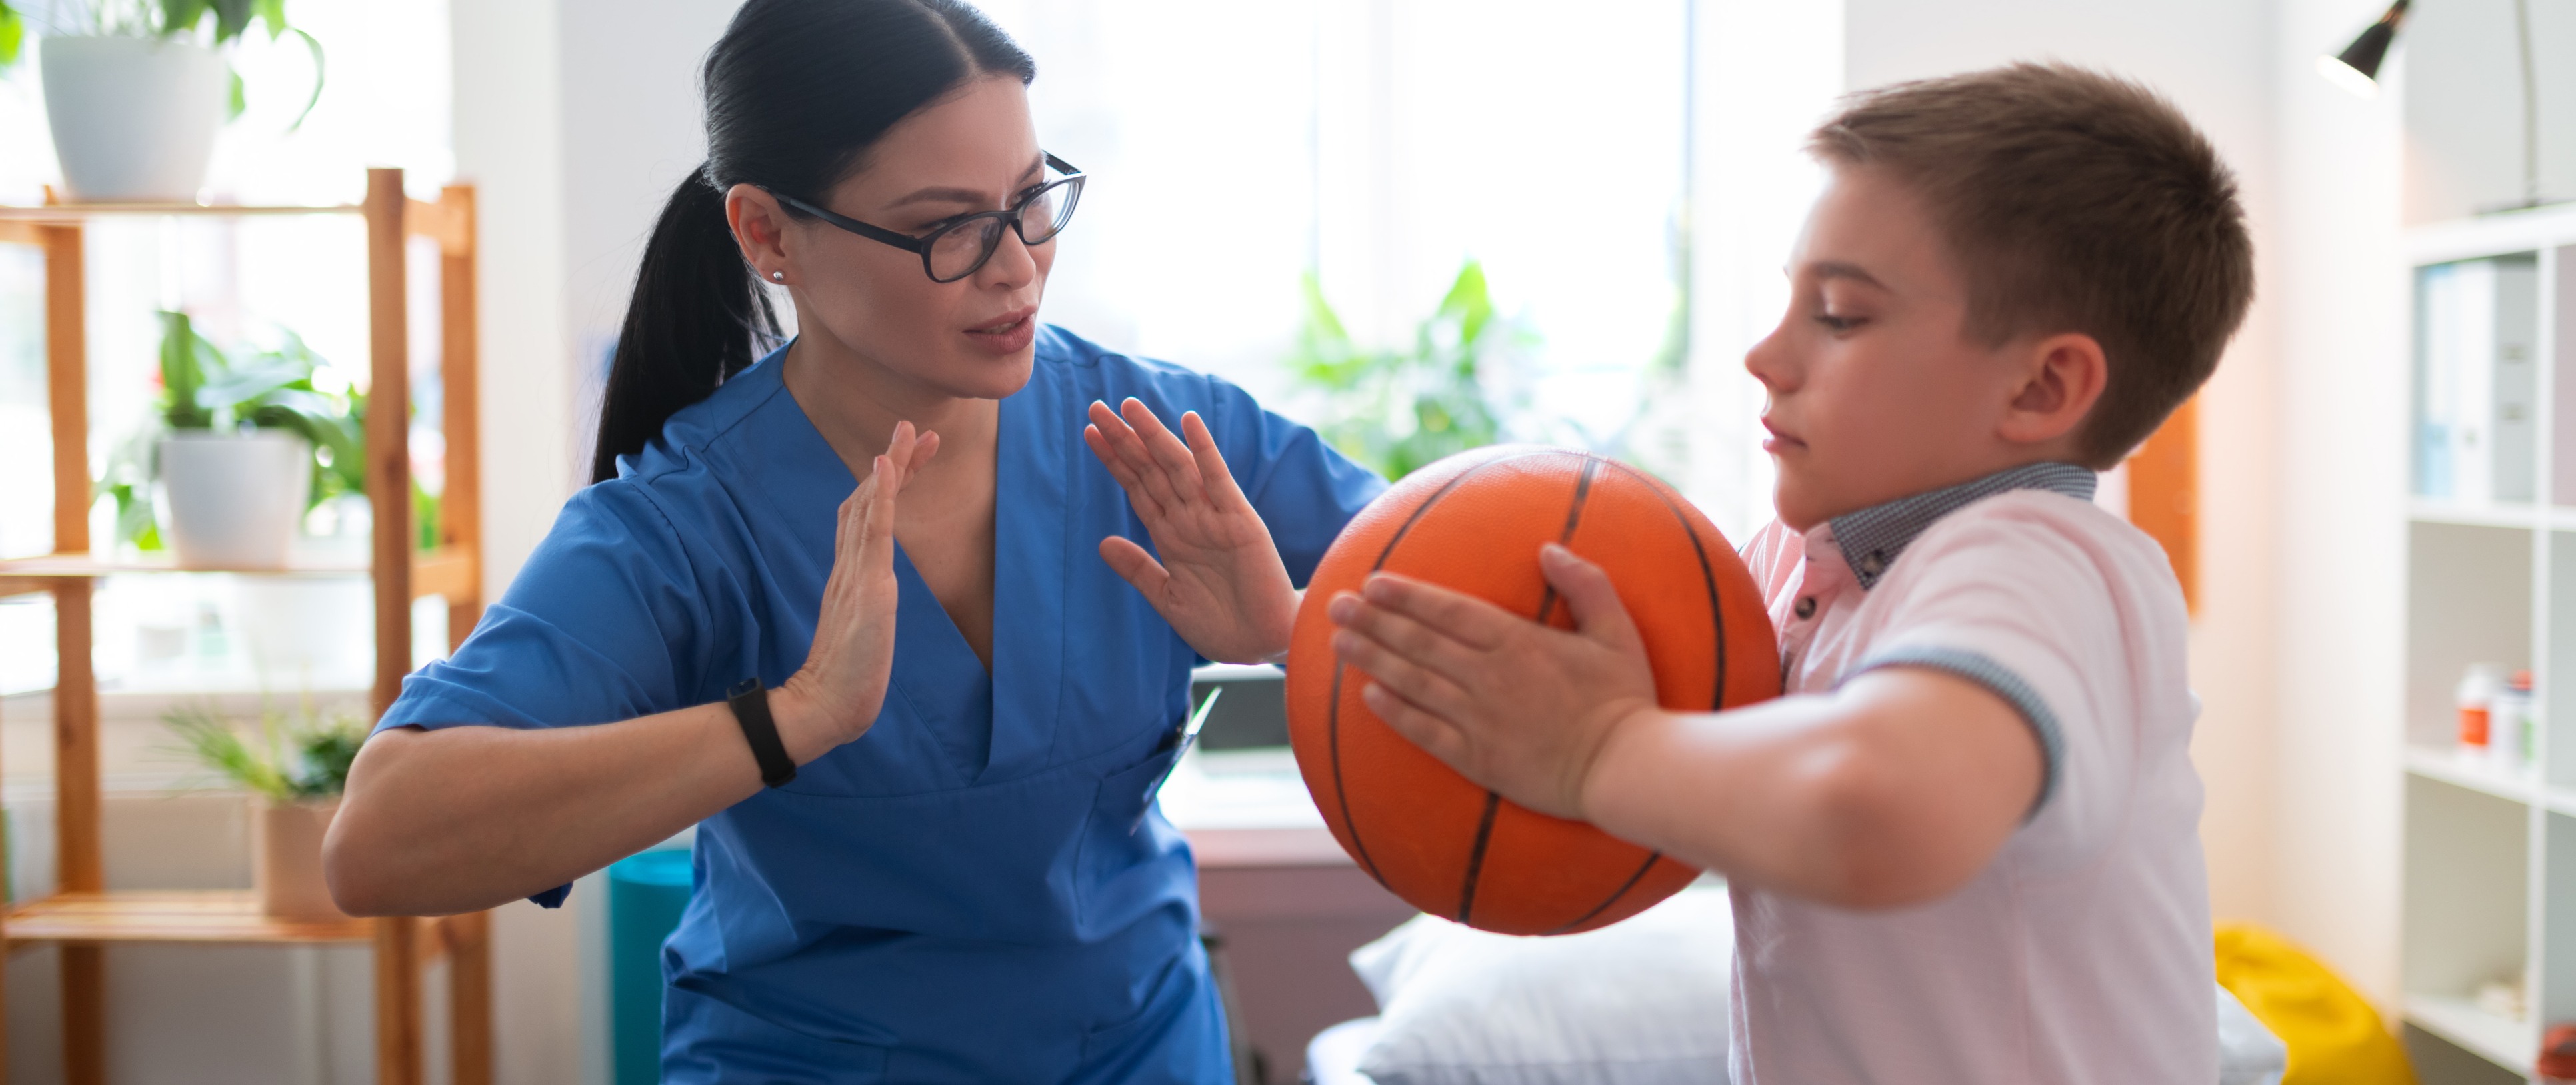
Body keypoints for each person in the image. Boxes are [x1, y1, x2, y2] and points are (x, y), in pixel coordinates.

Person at [322, 1, 1381, 1080]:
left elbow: (1509, 620)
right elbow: (379, 842)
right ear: (769, 234)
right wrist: (794, 719)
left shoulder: (1167, 444)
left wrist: (1294, 634)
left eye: (1031, 202)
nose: (1016, 267)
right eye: (947, 227)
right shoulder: (693, 524)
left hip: (1144, 1053)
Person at [1326, 63, 2251, 1084]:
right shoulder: (1805, 565)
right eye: (1788, 304)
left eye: (1841, 316)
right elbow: (1540, 666)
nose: (1766, 354)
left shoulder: (2046, 566)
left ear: (2041, 386)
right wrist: (1306, 628)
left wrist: (1599, 750)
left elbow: (1881, 813)